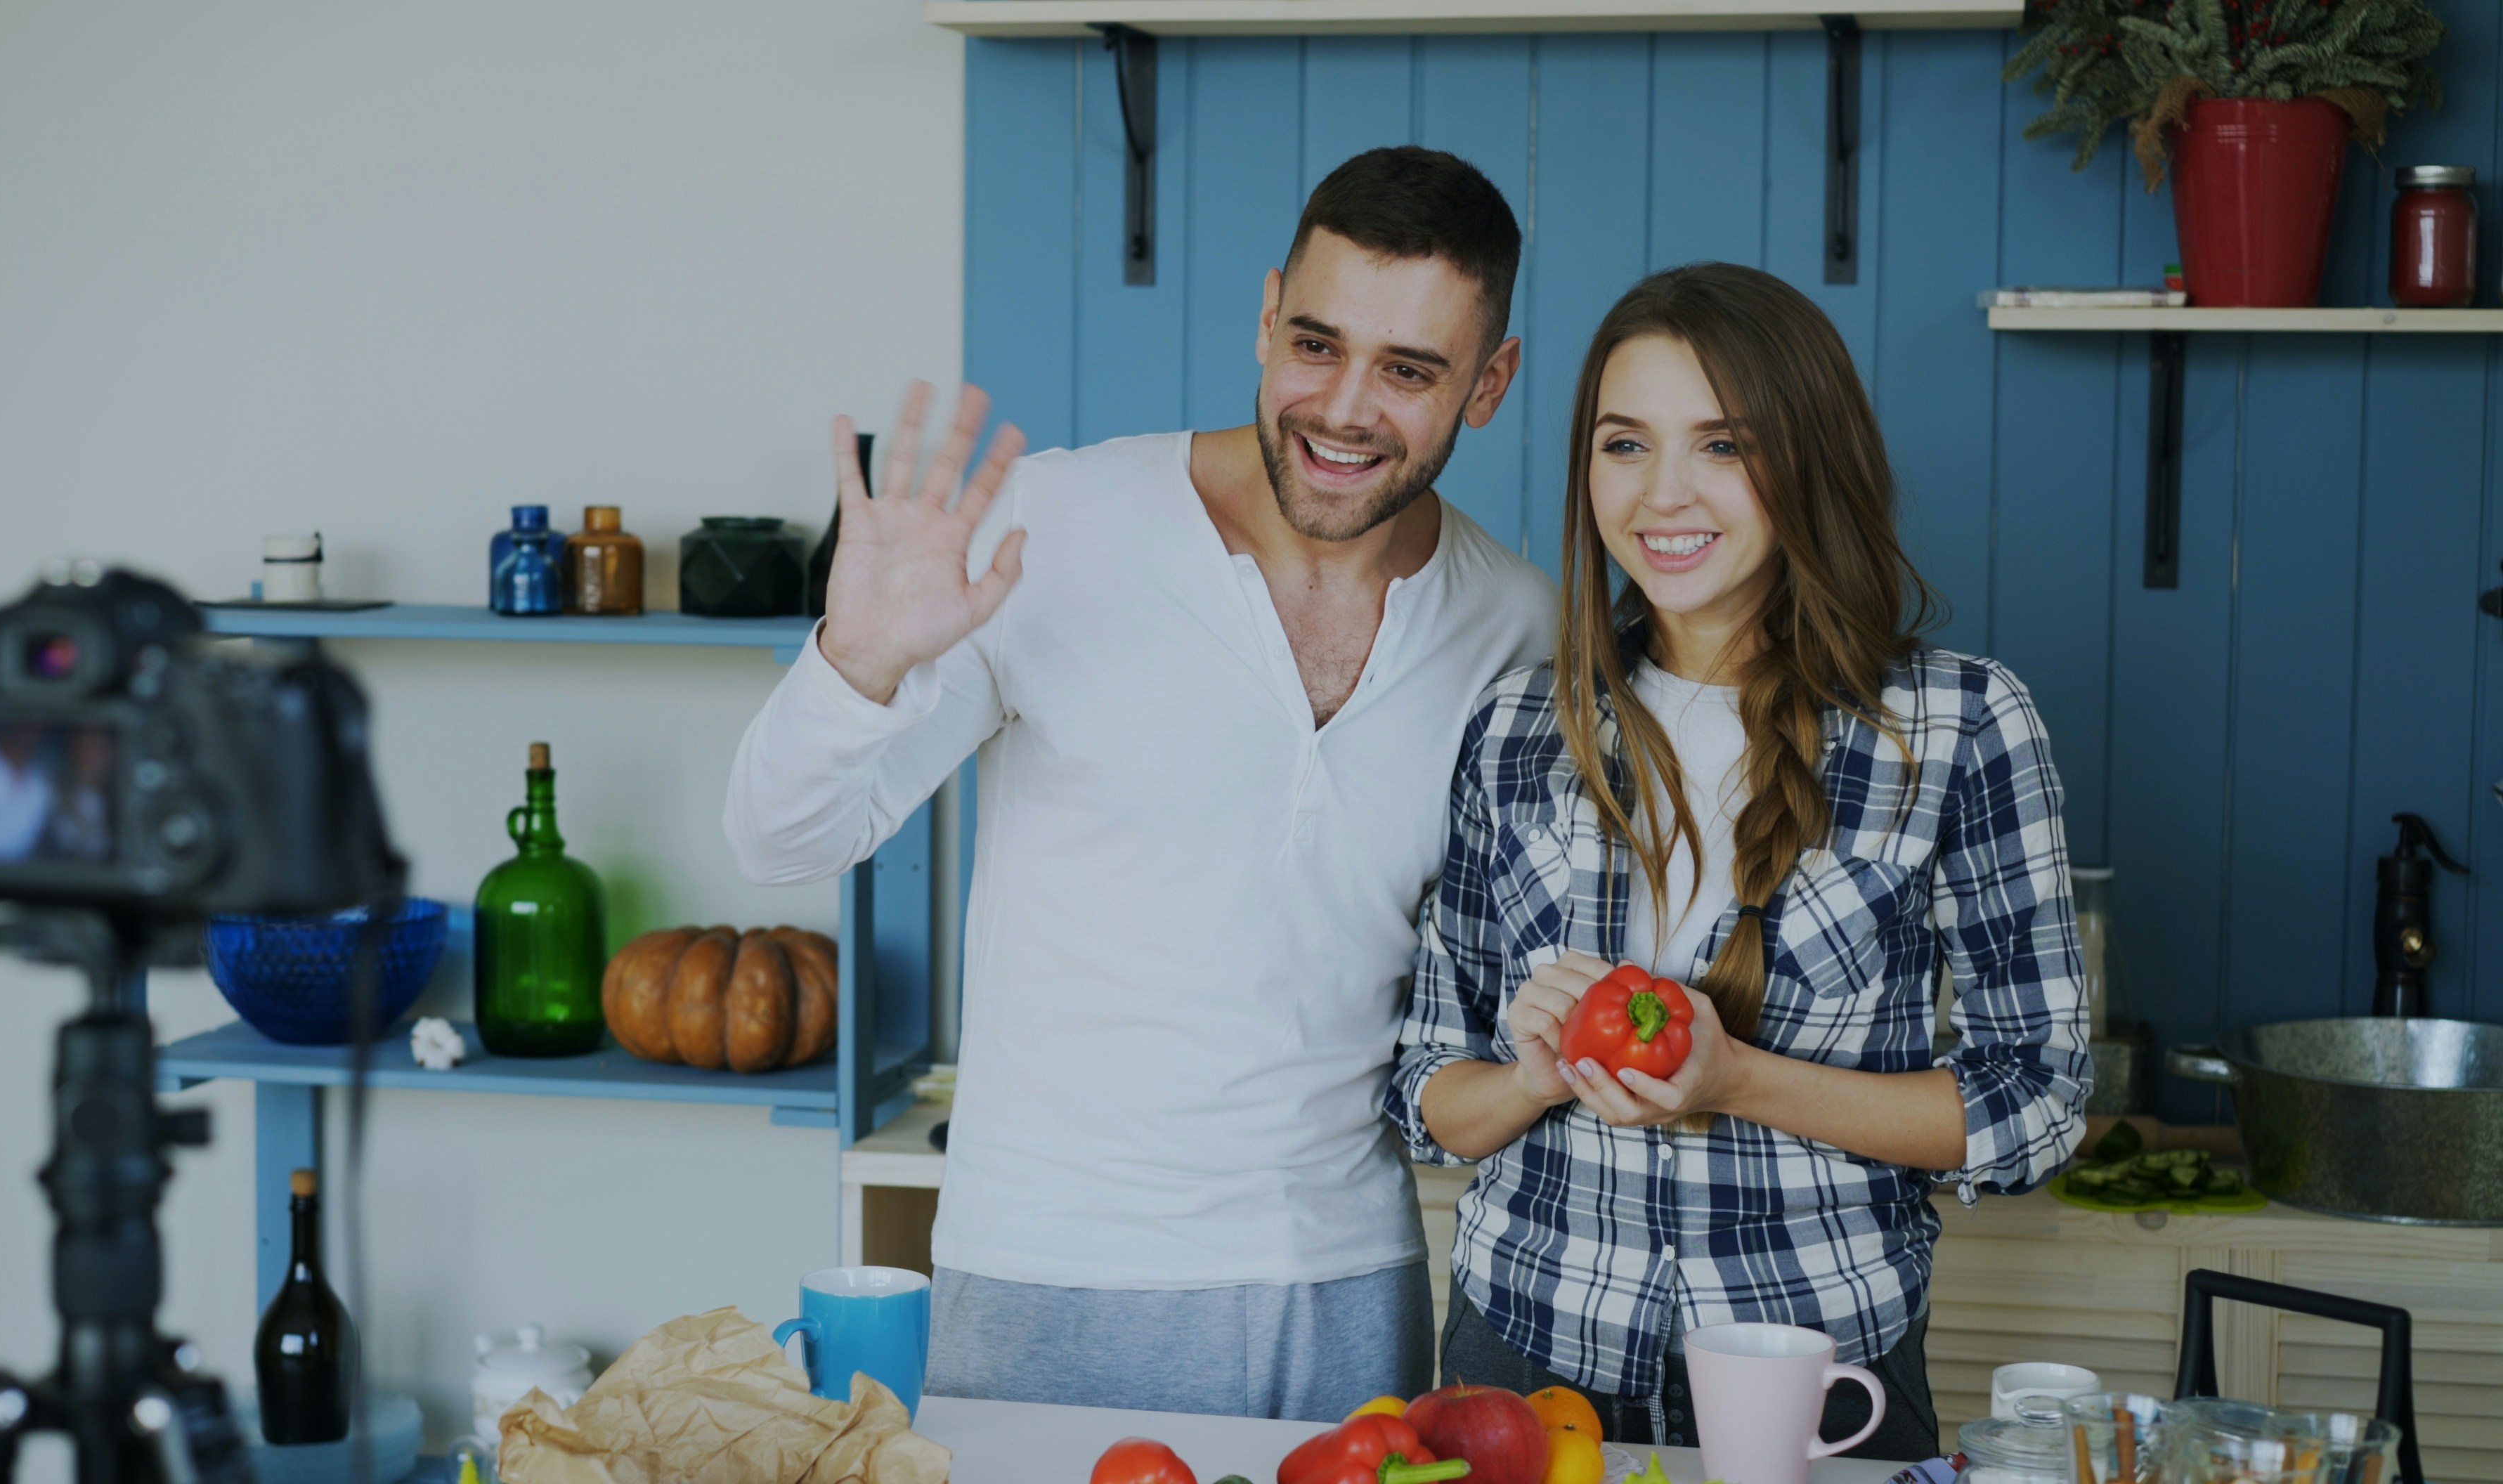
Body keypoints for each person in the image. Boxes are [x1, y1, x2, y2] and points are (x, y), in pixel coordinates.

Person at [724, 148, 1556, 1420]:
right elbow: (780, 838)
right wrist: (860, 658)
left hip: (1351, 1285)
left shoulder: (1516, 624)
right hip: (1048, 1275)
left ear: (1488, 384)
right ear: (1267, 313)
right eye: (1317, 345)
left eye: (1409, 371)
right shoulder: (1055, 523)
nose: (1343, 408)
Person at [1385, 262, 2088, 1458]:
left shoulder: (1960, 727)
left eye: (1722, 444)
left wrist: (1741, 1081)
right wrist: (1532, 1077)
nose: (1664, 494)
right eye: (1625, 443)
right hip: (1522, 1358)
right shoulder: (1517, 728)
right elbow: (1426, 1093)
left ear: (1808, 457)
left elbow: (2038, 1103)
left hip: (1815, 1370)